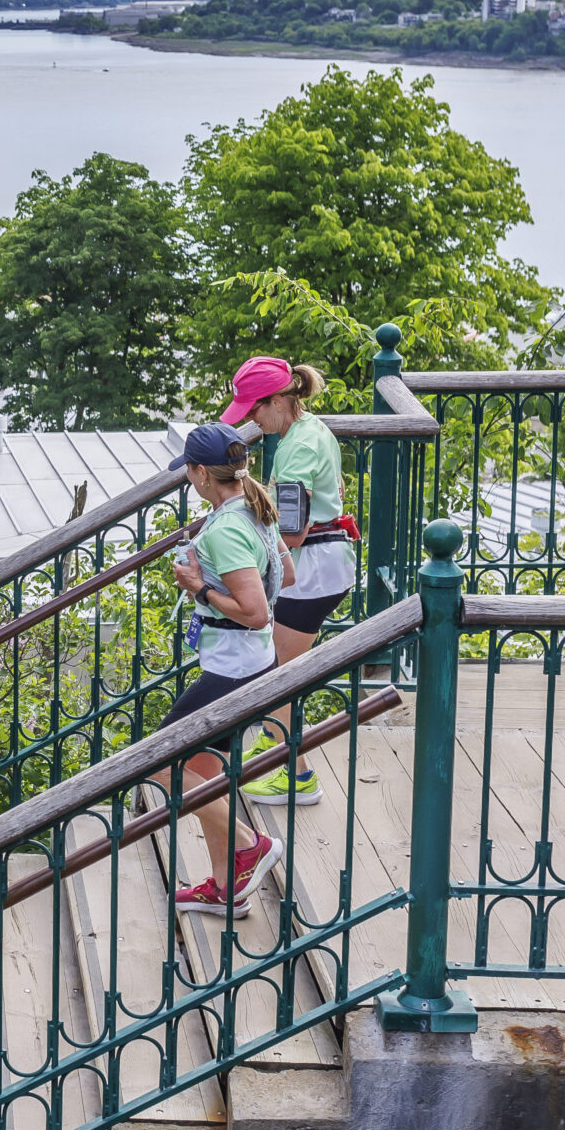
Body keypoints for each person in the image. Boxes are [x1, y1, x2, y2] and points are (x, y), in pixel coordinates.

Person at [163, 424, 288, 917]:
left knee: (163, 767)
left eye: (188, 471)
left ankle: (248, 845)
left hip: (234, 667)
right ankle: (225, 887)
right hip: (251, 660)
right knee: (204, 772)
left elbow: (256, 611)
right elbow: (288, 575)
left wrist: (199, 588)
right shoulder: (254, 510)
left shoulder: (228, 527)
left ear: (199, 473)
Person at [225, 358, 357, 806]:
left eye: (255, 410)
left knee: (275, 672)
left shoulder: (296, 448)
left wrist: (238, 556)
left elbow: (292, 530)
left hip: (311, 571)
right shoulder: (307, 429)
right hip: (323, 565)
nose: (251, 420)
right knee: (279, 668)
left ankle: (296, 775)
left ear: (279, 400)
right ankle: (274, 750)